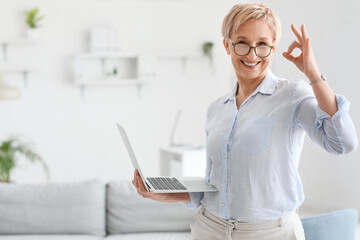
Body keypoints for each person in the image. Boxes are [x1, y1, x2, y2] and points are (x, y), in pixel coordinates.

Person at [132, 3, 358, 240]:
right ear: (227, 45)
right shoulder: (216, 109)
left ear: (272, 48)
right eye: (242, 43)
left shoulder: (293, 95)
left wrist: (313, 75)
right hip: (210, 228)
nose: (251, 54)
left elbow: (343, 143)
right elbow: (214, 186)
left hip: (271, 233)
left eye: (261, 44)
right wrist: (163, 194)